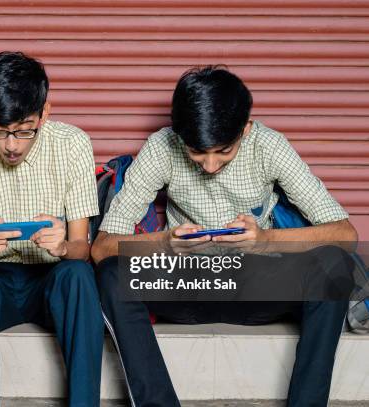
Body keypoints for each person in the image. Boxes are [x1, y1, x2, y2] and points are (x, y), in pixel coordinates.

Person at [91, 66, 358, 407]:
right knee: (111, 275)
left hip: (257, 285)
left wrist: (264, 241)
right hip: (186, 286)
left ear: (245, 129)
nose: (210, 166)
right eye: (197, 153)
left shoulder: (269, 145)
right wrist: (165, 243)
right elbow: (102, 247)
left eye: (223, 152)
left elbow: (344, 234)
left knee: (334, 265)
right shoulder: (162, 146)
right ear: (179, 134)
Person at [0, 51, 103, 407]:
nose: (11, 145)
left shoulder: (73, 144)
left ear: (45, 113)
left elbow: (82, 247)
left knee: (78, 275)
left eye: (23, 130)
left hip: (52, 280)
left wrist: (63, 247)